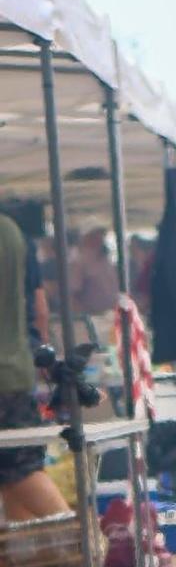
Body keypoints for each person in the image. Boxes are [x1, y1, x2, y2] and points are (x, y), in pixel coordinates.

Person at [0, 212, 68, 521]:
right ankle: (31, 564)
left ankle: (84, 546)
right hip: (15, 368)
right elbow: (37, 305)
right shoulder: (11, 229)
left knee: (20, 474)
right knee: (13, 479)